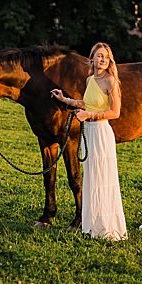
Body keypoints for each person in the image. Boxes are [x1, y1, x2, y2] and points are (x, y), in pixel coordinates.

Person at [51, 42, 127, 241]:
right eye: (98, 56)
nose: (101, 59)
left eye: (105, 57)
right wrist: (65, 100)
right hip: (90, 133)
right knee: (92, 177)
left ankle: (107, 228)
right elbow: (86, 104)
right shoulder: (91, 79)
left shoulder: (111, 81)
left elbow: (115, 112)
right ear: (91, 58)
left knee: (103, 178)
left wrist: (89, 116)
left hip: (101, 133)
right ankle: (92, 225)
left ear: (109, 60)